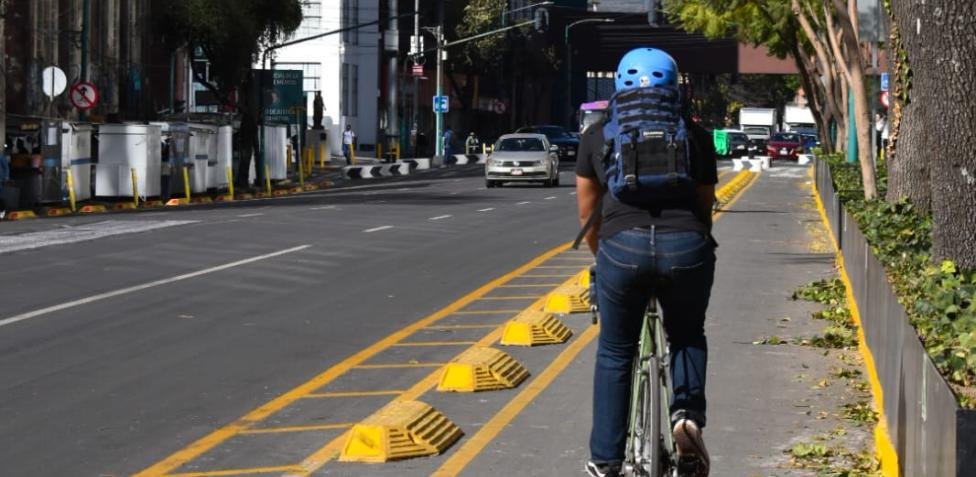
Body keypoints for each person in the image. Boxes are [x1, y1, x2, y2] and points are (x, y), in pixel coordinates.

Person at [576, 47, 717, 477]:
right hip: (684, 247)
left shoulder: (597, 135)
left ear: (618, 84)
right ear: (674, 85)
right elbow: (705, 207)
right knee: (687, 333)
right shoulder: (695, 134)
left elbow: (587, 215)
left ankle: (606, 461)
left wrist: (609, 261)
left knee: (616, 352)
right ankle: (686, 418)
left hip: (622, 247)